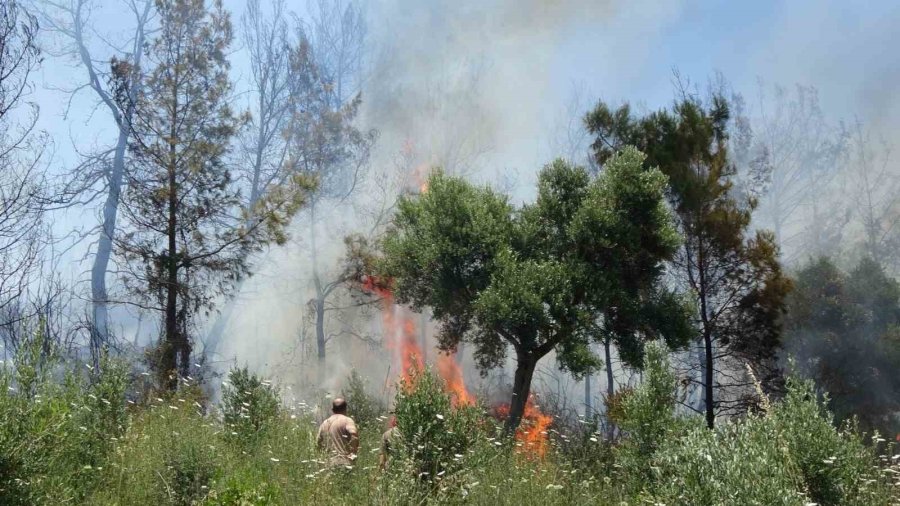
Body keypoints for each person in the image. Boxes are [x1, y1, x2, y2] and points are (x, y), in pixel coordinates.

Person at [316, 397, 359, 469]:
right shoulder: (347, 420)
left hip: (328, 463)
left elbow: (318, 443)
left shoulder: (325, 423)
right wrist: (353, 454)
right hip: (344, 462)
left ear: (332, 410)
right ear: (345, 409)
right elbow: (354, 434)